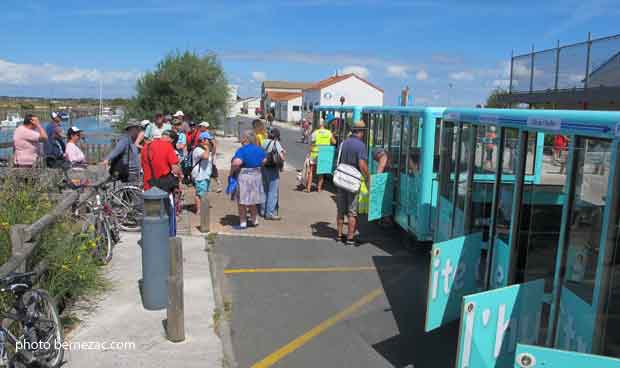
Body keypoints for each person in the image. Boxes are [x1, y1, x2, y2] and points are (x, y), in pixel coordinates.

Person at [142, 129, 183, 236]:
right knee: (167, 213)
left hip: (149, 187)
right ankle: (168, 237)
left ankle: (153, 238)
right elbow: (175, 168)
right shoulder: (167, 146)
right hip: (164, 188)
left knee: (153, 216)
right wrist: (179, 178)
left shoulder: (145, 148)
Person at [336, 121, 370, 246]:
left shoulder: (343, 143)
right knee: (352, 212)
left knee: (340, 210)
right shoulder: (360, 146)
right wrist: (368, 176)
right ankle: (350, 238)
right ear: (360, 132)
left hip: (341, 181)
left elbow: (338, 160)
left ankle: (339, 235)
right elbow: (361, 164)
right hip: (353, 183)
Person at [231, 130, 266, 229]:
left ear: (245, 139)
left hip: (244, 176)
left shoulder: (242, 150)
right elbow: (264, 161)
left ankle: (243, 222)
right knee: (253, 200)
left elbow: (237, 163)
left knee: (242, 200)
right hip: (257, 176)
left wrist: (232, 170)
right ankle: (254, 220)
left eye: (242, 137)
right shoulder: (259, 149)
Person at [261, 128, 286, 220]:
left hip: (263, 167)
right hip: (272, 168)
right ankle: (270, 213)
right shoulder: (275, 143)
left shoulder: (263, 142)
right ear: (277, 136)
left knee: (264, 190)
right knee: (273, 191)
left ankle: (263, 210)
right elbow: (282, 158)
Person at [307, 118, 336, 192]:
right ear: (324, 124)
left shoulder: (315, 133)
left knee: (311, 171)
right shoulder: (329, 133)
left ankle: (308, 188)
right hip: (323, 154)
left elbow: (312, 144)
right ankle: (319, 189)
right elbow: (334, 142)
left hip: (314, 154)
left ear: (318, 124)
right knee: (321, 172)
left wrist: (309, 153)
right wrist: (333, 135)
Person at [192, 132, 213, 215]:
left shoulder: (204, 149)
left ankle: (200, 208)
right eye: (208, 140)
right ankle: (199, 210)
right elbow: (205, 157)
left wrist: (210, 146)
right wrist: (207, 148)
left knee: (203, 192)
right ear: (203, 140)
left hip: (205, 174)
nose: (210, 141)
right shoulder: (198, 150)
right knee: (200, 193)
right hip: (200, 175)